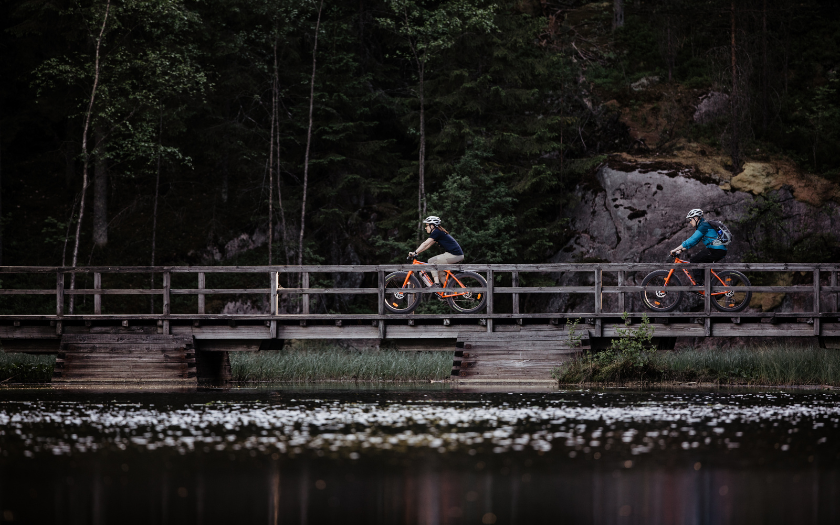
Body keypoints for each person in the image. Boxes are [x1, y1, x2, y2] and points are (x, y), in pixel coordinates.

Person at [671, 208, 727, 286]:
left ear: (696, 218)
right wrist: (681, 250)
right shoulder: (702, 225)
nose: (690, 222)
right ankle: (708, 288)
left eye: (690, 220)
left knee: (694, 260)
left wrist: (675, 249)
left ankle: (699, 285)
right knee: (703, 268)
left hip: (716, 250)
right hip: (718, 250)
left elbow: (692, 239)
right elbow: (694, 242)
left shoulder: (704, 226)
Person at [408, 216, 464, 287]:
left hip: (455, 255)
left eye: (427, 226)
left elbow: (425, 243)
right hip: (455, 255)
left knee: (431, 261)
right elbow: (427, 246)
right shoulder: (438, 232)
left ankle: (436, 285)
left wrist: (414, 252)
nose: (425, 228)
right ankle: (452, 293)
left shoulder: (437, 232)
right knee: (440, 273)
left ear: (432, 226)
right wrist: (418, 252)